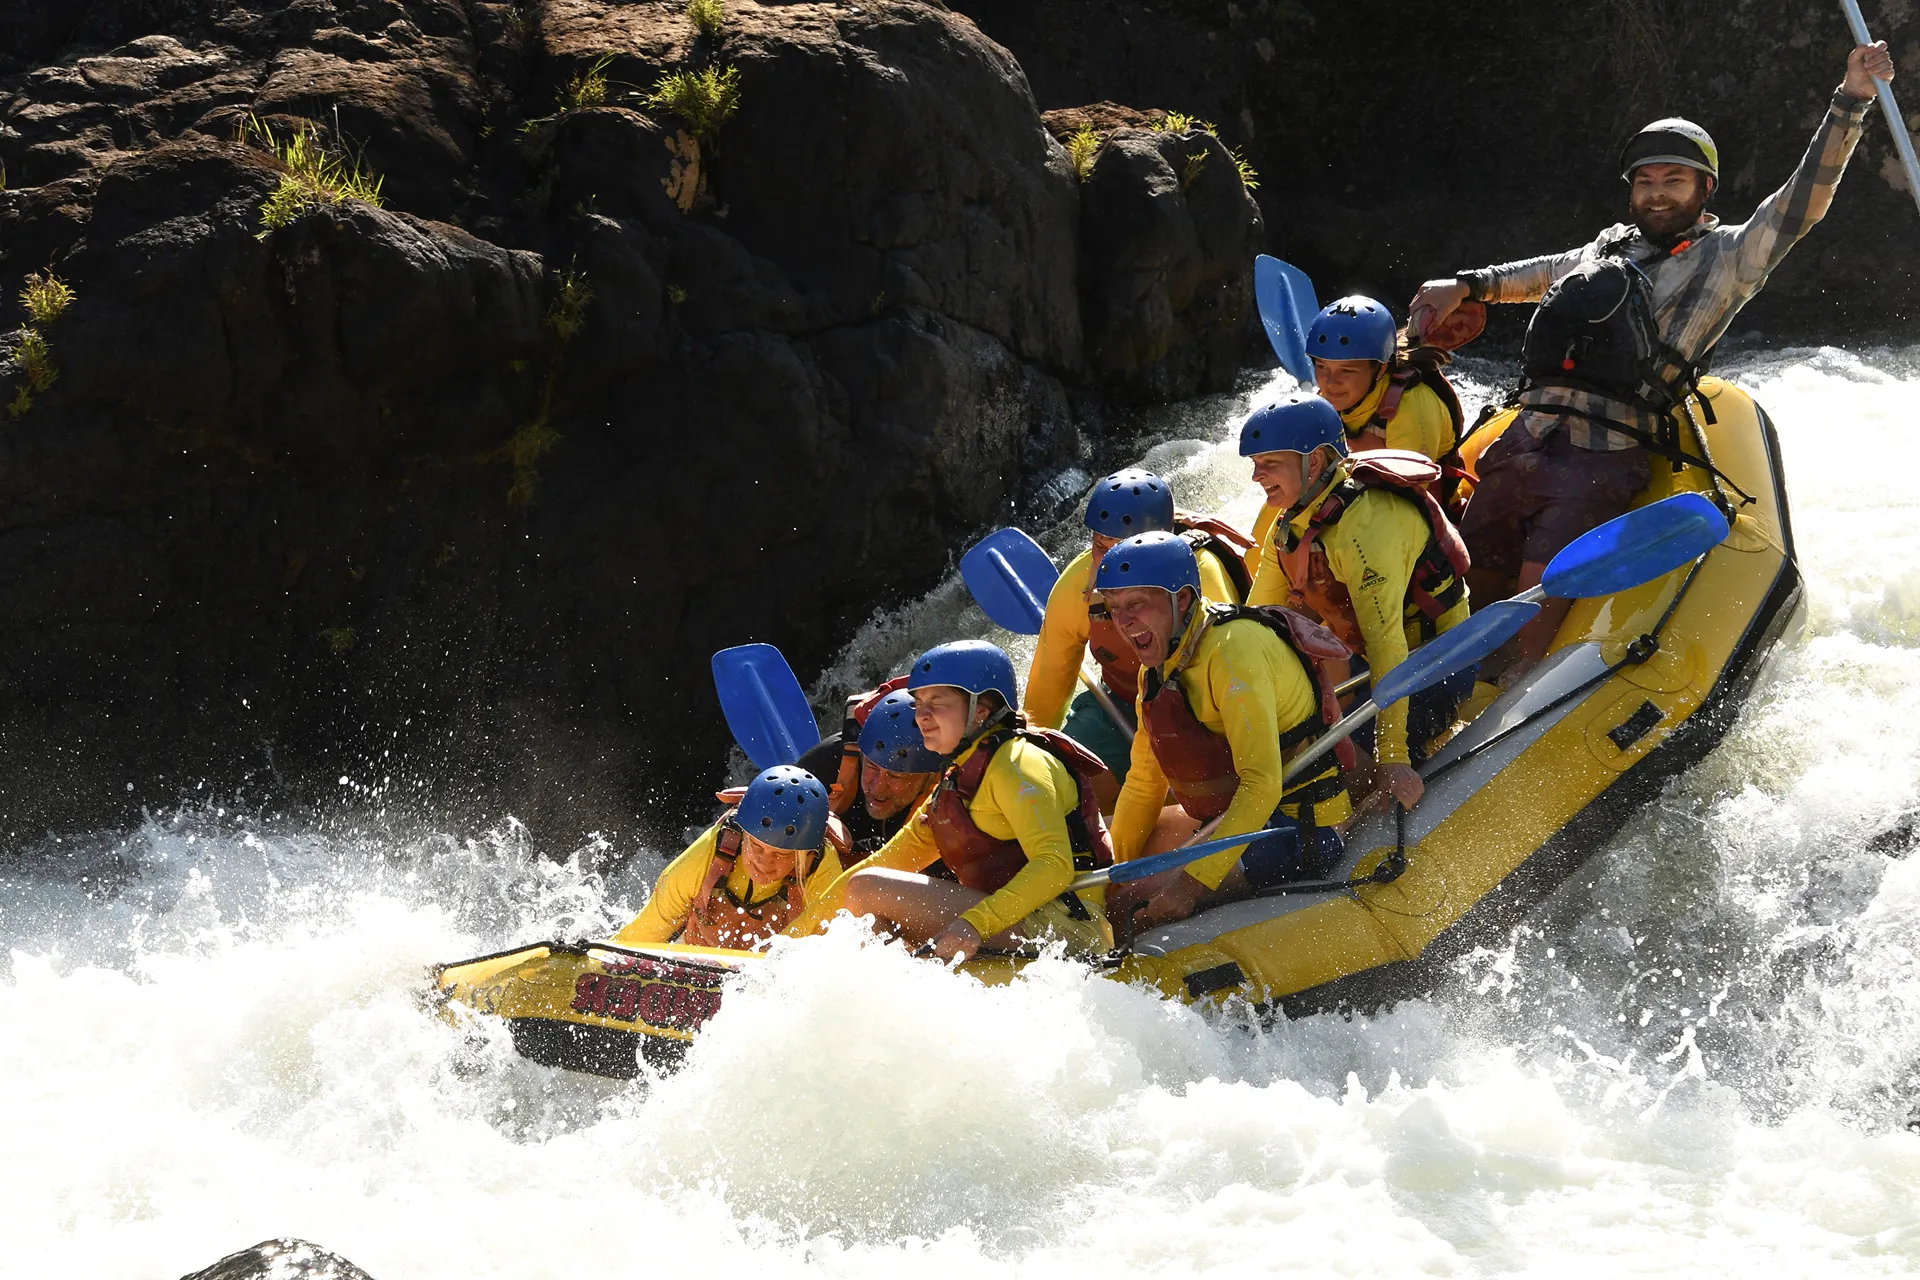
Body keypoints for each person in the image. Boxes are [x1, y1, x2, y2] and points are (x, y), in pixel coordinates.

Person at [1408, 41, 1897, 676]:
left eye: (1674, 181)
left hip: (1600, 454)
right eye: (1645, 182)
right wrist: (1466, 284)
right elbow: (1538, 275)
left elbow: (1803, 202)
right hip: (1523, 438)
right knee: (1461, 587)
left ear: (1704, 189)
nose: (1657, 194)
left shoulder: (1729, 256)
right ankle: (1422, 701)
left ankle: (1500, 716)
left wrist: (1850, 100)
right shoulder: (1609, 248)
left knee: (1535, 602)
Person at [1098, 532, 1355, 934]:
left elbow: (1261, 784)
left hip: (1303, 825)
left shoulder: (1232, 653)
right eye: (1113, 608)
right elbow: (1143, 784)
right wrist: (1108, 880)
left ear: (1181, 600)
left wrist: (1192, 883)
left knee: (1132, 905)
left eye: (1136, 605)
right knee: (1115, 881)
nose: (1123, 622)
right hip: (1235, 819)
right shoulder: (1158, 670)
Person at [1242, 394, 1473, 800]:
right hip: (1366, 661)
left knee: (1332, 766)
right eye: (1256, 465)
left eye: (1269, 464)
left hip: (1437, 661)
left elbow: (1389, 645)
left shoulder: (1366, 527)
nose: (1257, 476)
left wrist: (1393, 757)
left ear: (1313, 461)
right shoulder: (1289, 524)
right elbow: (1257, 623)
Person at [837, 640, 1115, 961]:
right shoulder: (960, 775)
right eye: (919, 703)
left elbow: (1054, 865)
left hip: (1065, 932)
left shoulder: (1018, 764)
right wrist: (796, 933)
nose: (920, 717)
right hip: (1014, 926)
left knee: (867, 889)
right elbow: (885, 861)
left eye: (937, 703)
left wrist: (975, 924)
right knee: (864, 892)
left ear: (981, 709)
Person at [1023, 468, 1252, 797]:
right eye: (1101, 546)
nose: (1108, 563)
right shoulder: (1076, 587)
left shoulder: (1200, 576)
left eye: (1124, 550)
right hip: (1122, 706)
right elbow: (1045, 696)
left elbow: (1238, 678)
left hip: (1202, 711)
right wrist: (1025, 763)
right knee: (1059, 780)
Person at [611, 765, 850, 950]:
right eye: (756, 846)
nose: (764, 862)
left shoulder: (821, 870)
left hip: (771, 985)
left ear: (805, 854)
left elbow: (830, 956)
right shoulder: (710, 851)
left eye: (780, 854)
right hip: (693, 968)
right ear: (743, 834)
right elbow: (645, 933)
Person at [1306, 295, 1463, 464]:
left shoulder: (1411, 409)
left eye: (1346, 370)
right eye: (1322, 367)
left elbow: (1409, 489)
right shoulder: (1327, 398)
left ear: (1380, 369)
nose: (1330, 382)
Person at [795, 685, 945, 859]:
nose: (877, 788)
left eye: (895, 775)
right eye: (872, 767)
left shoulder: (951, 803)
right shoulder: (828, 762)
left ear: (928, 777)